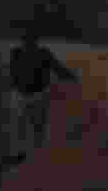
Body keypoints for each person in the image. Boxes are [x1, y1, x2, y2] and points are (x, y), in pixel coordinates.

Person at [5, 23, 79, 165]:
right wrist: (71, 76)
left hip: (33, 94)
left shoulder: (32, 53)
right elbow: (58, 69)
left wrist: (71, 76)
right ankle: (22, 153)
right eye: (26, 39)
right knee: (28, 126)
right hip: (26, 94)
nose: (27, 42)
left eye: (29, 39)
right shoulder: (20, 53)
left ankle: (30, 154)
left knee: (32, 126)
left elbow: (58, 69)